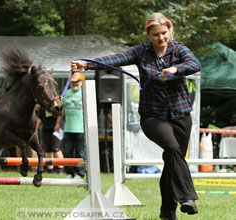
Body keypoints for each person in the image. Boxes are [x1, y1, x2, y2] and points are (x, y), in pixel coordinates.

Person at [71, 12, 201, 220]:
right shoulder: (141, 52)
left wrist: (176, 69)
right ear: (149, 35)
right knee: (173, 148)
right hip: (153, 117)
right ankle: (187, 196)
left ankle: (167, 213)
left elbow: (195, 64)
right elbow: (115, 59)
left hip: (181, 115)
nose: (161, 38)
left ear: (170, 31)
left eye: (164, 33)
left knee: (172, 160)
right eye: (156, 34)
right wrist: (87, 64)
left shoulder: (179, 50)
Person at [57, 72, 86, 179]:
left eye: (77, 81)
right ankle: (69, 172)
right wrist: (57, 123)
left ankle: (80, 173)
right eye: (73, 82)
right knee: (67, 152)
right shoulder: (66, 93)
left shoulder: (84, 94)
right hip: (68, 128)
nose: (75, 83)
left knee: (80, 152)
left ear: (81, 82)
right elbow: (62, 110)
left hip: (81, 129)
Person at [35, 105, 64, 175]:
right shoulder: (43, 106)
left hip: (56, 128)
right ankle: (50, 170)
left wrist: (58, 123)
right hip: (45, 128)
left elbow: (61, 113)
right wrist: (36, 128)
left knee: (56, 148)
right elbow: (40, 117)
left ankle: (61, 169)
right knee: (47, 149)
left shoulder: (57, 103)